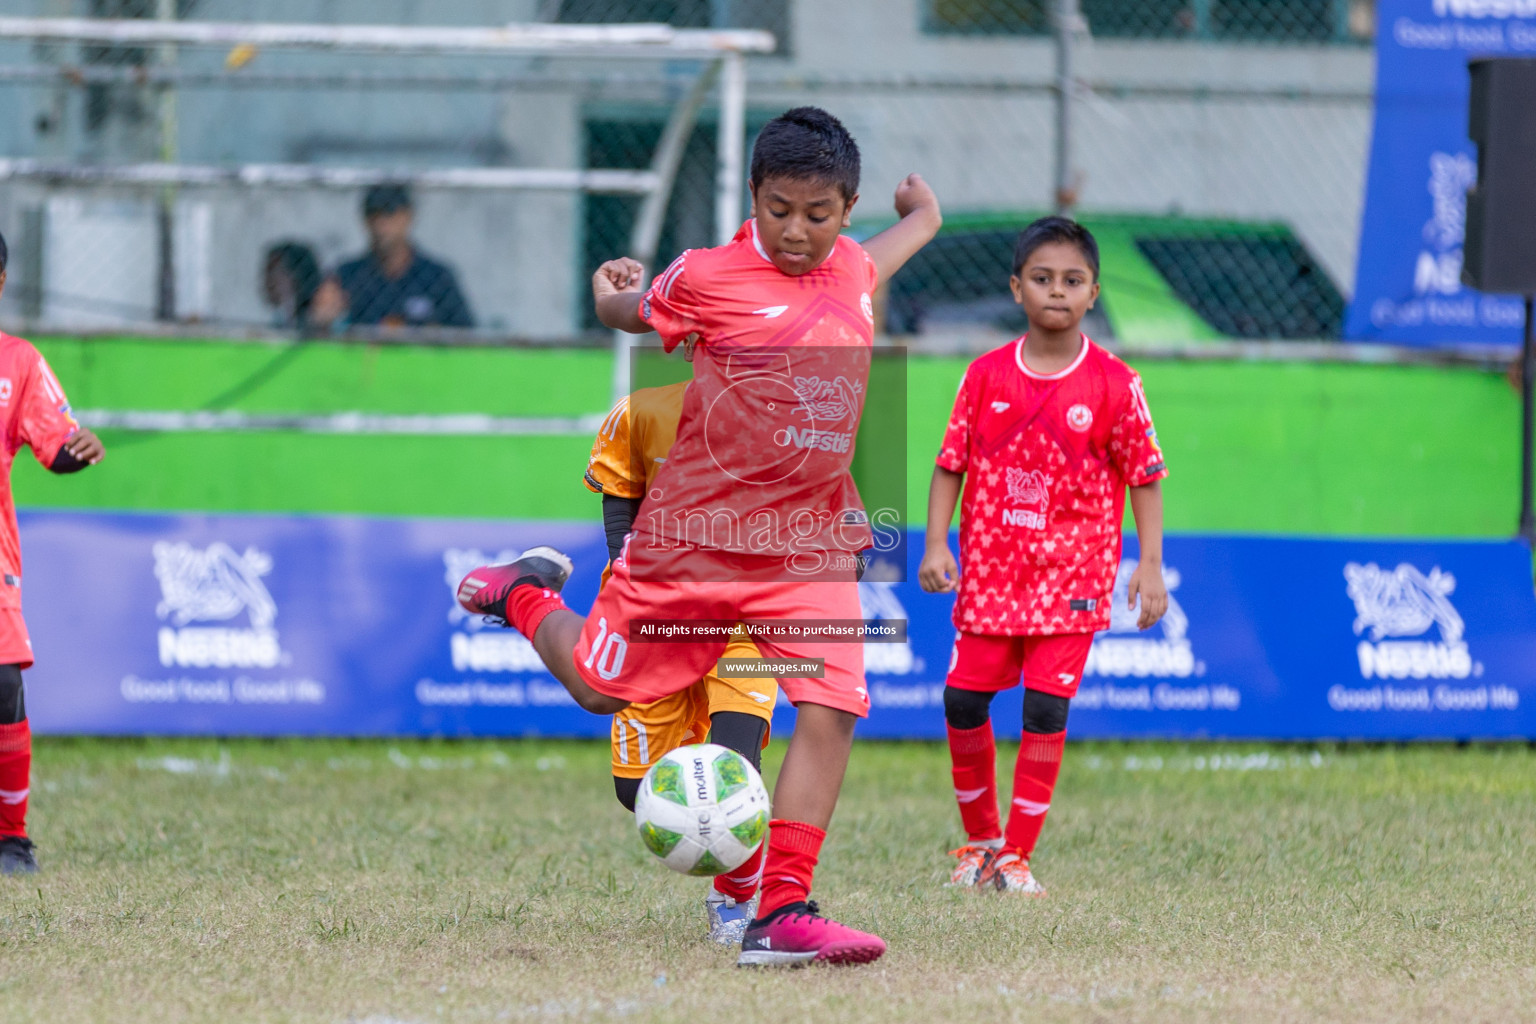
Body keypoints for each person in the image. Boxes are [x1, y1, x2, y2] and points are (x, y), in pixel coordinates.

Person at [455, 107, 941, 967]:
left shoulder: (856, 267)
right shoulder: (708, 275)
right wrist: (611, 289)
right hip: (694, 540)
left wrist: (925, 212)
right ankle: (519, 594)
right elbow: (633, 312)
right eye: (779, 210)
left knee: (833, 707)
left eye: (818, 215)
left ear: (846, 209)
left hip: (806, 543)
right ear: (753, 197)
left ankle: (781, 911)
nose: (797, 232)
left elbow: (894, 249)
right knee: (603, 690)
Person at [918, 216, 1168, 896]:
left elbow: (1144, 474)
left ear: (1093, 294)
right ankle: (979, 843)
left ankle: (1016, 858)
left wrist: (1148, 565)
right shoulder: (985, 375)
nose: (1057, 291)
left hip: (1072, 580)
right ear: (1016, 288)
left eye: (1073, 281)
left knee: (1044, 714)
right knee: (963, 701)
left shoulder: (1117, 383)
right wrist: (938, 542)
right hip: (993, 577)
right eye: (1042, 278)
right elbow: (951, 465)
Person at [584, 359, 780, 945]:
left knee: (735, 764)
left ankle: (736, 902)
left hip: (746, 617)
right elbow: (620, 490)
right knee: (635, 791)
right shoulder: (642, 412)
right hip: (656, 621)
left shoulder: (789, 421)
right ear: (692, 338)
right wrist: (627, 558)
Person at [0, 230, 106, 875]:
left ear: (1, 282)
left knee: (3, 685)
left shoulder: (18, 362)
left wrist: (75, 453)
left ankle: (11, 838)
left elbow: (54, 444)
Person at [311, 183, 474, 330]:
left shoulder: (436, 277)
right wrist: (323, 319)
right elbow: (322, 329)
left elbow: (466, 334)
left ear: (408, 216)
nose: (382, 224)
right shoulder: (348, 275)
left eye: (390, 213)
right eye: (374, 215)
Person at [261, 241, 322, 331]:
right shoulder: (280, 319)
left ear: (297, 276)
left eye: (275, 271)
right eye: (268, 272)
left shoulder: (317, 322)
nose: (269, 281)